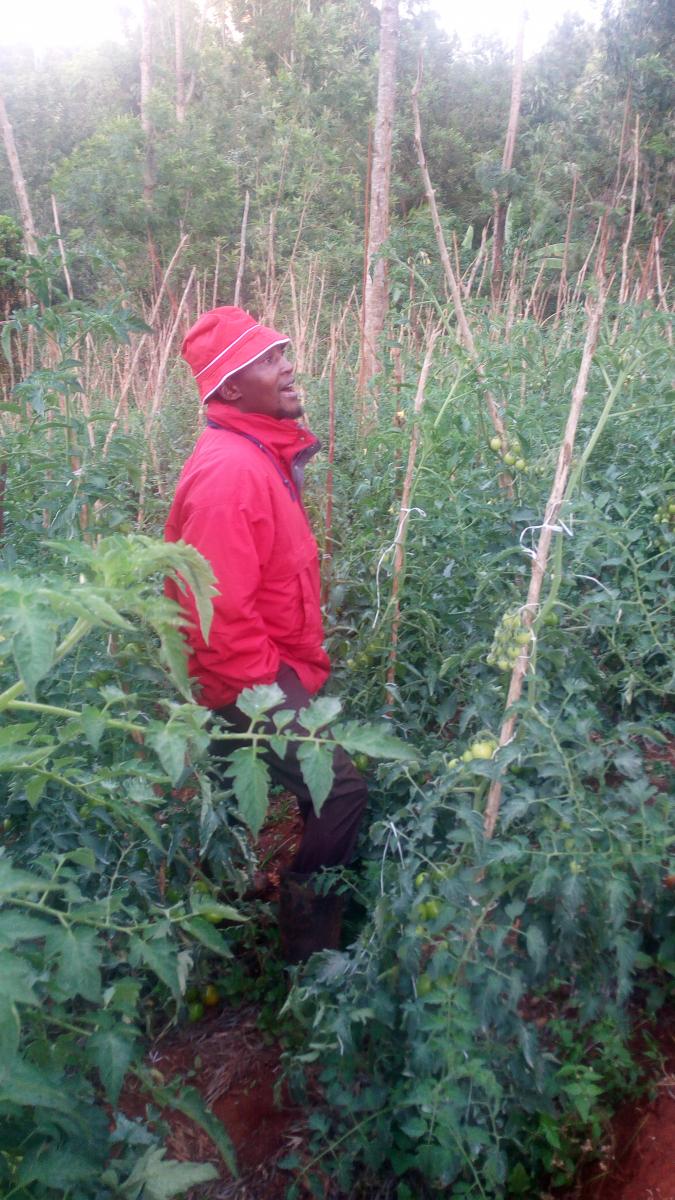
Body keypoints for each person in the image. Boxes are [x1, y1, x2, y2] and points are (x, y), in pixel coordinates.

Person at [165, 305, 367, 962]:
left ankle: (241, 900)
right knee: (338, 789)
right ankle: (309, 956)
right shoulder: (231, 472)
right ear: (229, 388)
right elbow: (215, 619)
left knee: (275, 792)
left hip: (268, 664)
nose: (287, 367)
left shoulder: (256, 452)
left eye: (283, 351)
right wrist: (275, 697)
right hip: (246, 675)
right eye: (270, 359)